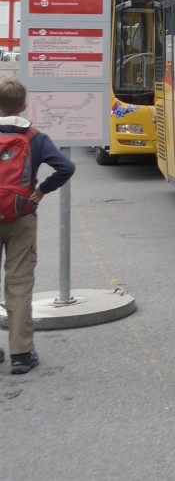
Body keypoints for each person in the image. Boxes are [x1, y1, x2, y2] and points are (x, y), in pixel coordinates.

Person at [0, 77, 75, 375]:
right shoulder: (34, 137)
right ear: (24, 105)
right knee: (18, 283)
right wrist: (41, 190)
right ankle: (21, 353)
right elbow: (66, 167)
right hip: (21, 217)